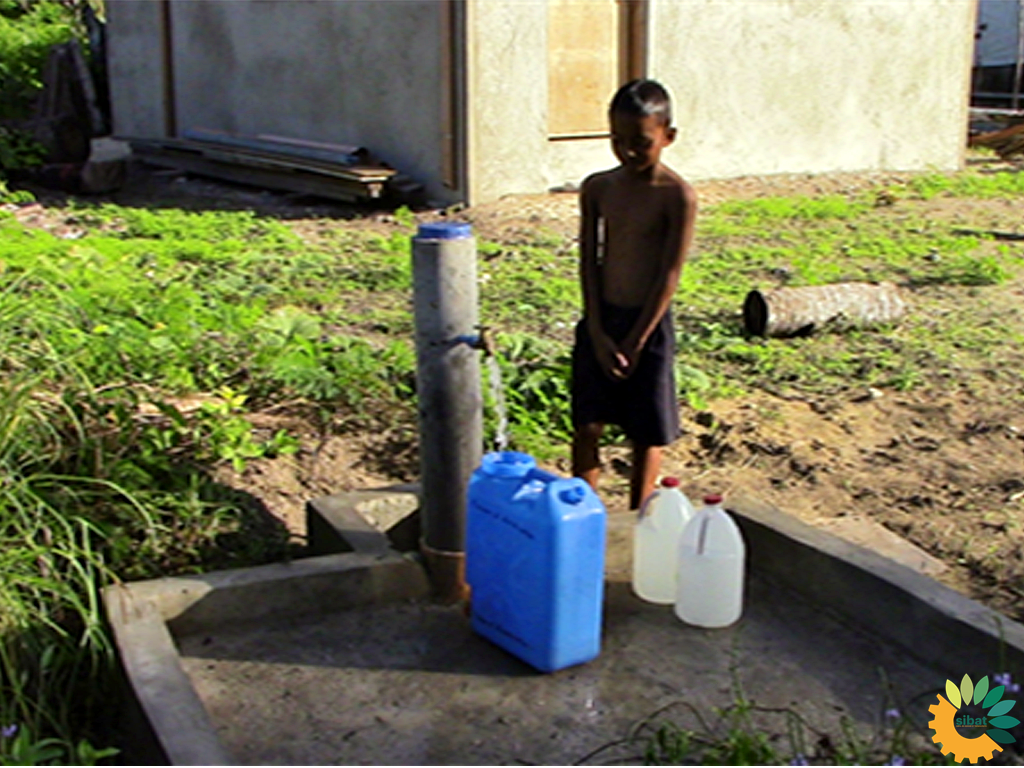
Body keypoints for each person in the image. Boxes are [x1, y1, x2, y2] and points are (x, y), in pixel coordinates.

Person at [571, 78, 697, 510]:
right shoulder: (599, 188)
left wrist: (636, 340)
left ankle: (641, 518)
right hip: (601, 320)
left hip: (648, 325)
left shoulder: (677, 196)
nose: (626, 152)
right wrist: (599, 332)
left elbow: (669, 273)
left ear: (668, 137)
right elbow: (590, 260)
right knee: (587, 423)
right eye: (617, 140)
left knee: (646, 432)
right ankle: (582, 511)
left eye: (639, 143)